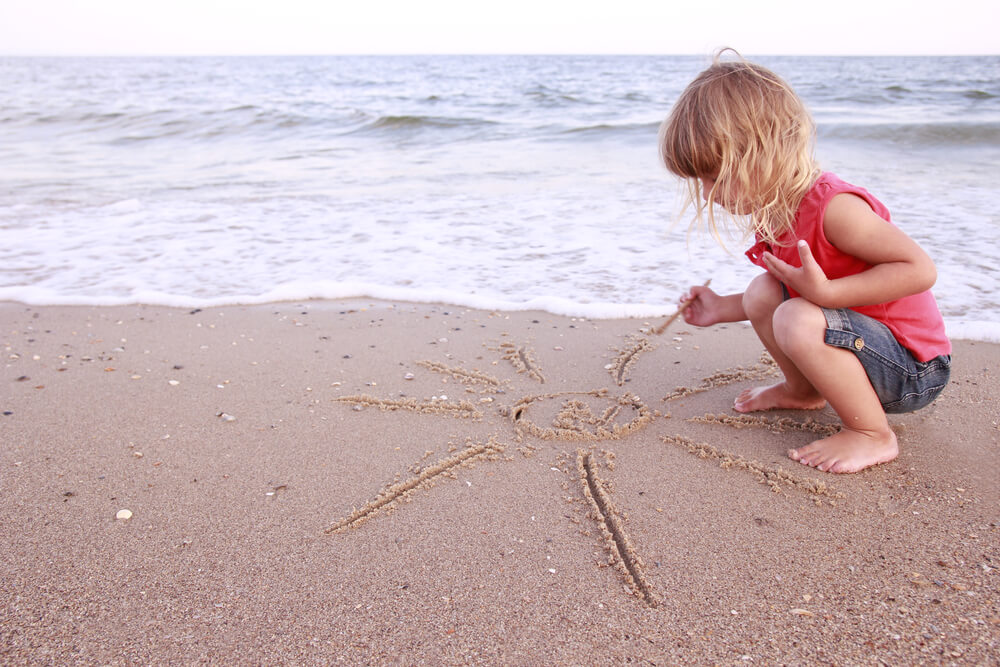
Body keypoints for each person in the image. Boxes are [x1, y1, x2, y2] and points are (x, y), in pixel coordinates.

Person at [659, 50, 952, 473]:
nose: (707, 194)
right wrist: (722, 307)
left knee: (796, 316)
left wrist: (828, 293)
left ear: (762, 152)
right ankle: (802, 391)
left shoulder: (835, 208)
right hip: (859, 354)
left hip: (912, 370)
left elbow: (920, 270)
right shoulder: (774, 212)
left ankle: (872, 434)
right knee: (765, 290)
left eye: (714, 176)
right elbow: (781, 293)